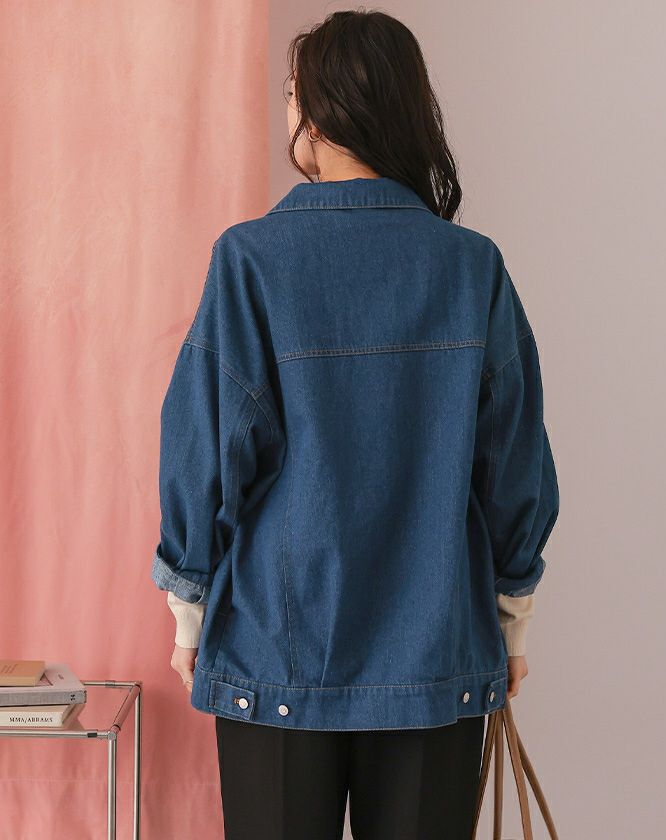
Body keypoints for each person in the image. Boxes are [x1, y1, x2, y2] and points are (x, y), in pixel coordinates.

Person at [152, 9, 559, 839]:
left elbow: (205, 450)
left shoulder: (252, 260)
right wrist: (511, 620)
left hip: (275, 652)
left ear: (320, 111)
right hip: (434, 652)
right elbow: (515, 466)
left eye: (292, 95)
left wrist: (188, 612)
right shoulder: (470, 267)